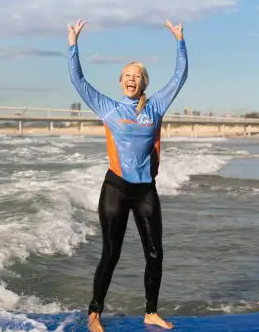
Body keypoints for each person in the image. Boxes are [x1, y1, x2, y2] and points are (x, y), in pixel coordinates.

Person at [67, 17, 187, 332]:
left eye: (137, 76)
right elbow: (80, 82)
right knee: (111, 252)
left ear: (143, 82)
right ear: (121, 81)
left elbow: (179, 76)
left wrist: (179, 40)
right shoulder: (108, 108)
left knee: (155, 252)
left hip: (146, 190)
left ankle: (151, 312)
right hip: (116, 190)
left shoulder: (156, 106)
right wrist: (72, 46)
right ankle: (94, 313)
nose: (131, 79)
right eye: (127, 76)